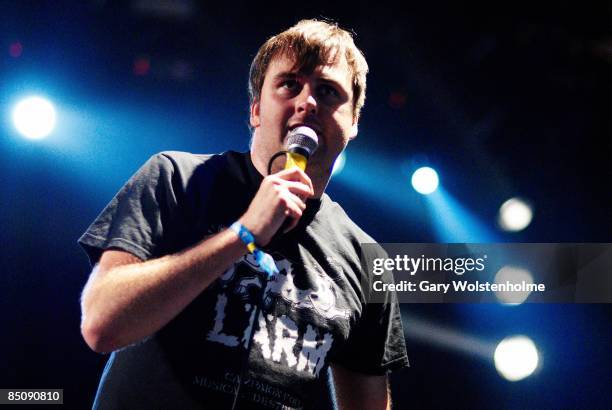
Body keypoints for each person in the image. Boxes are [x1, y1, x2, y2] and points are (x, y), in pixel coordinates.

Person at [79, 19, 408, 409]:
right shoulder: (177, 178)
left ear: (353, 121)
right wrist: (243, 233)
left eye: (327, 91)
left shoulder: (365, 260)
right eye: (289, 84)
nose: (308, 102)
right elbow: (102, 325)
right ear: (255, 109)